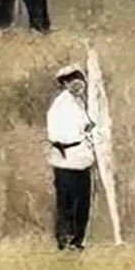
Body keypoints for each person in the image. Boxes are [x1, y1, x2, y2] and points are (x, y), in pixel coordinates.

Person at [46, 64, 98, 251]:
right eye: (71, 81)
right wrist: (86, 133)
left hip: (81, 158)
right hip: (67, 160)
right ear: (65, 84)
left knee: (82, 201)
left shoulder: (79, 102)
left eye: (79, 79)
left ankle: (77, 240)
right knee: (68, 202)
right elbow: (60, 134)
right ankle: (66, 239)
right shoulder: (62, 105)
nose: (77, 85)